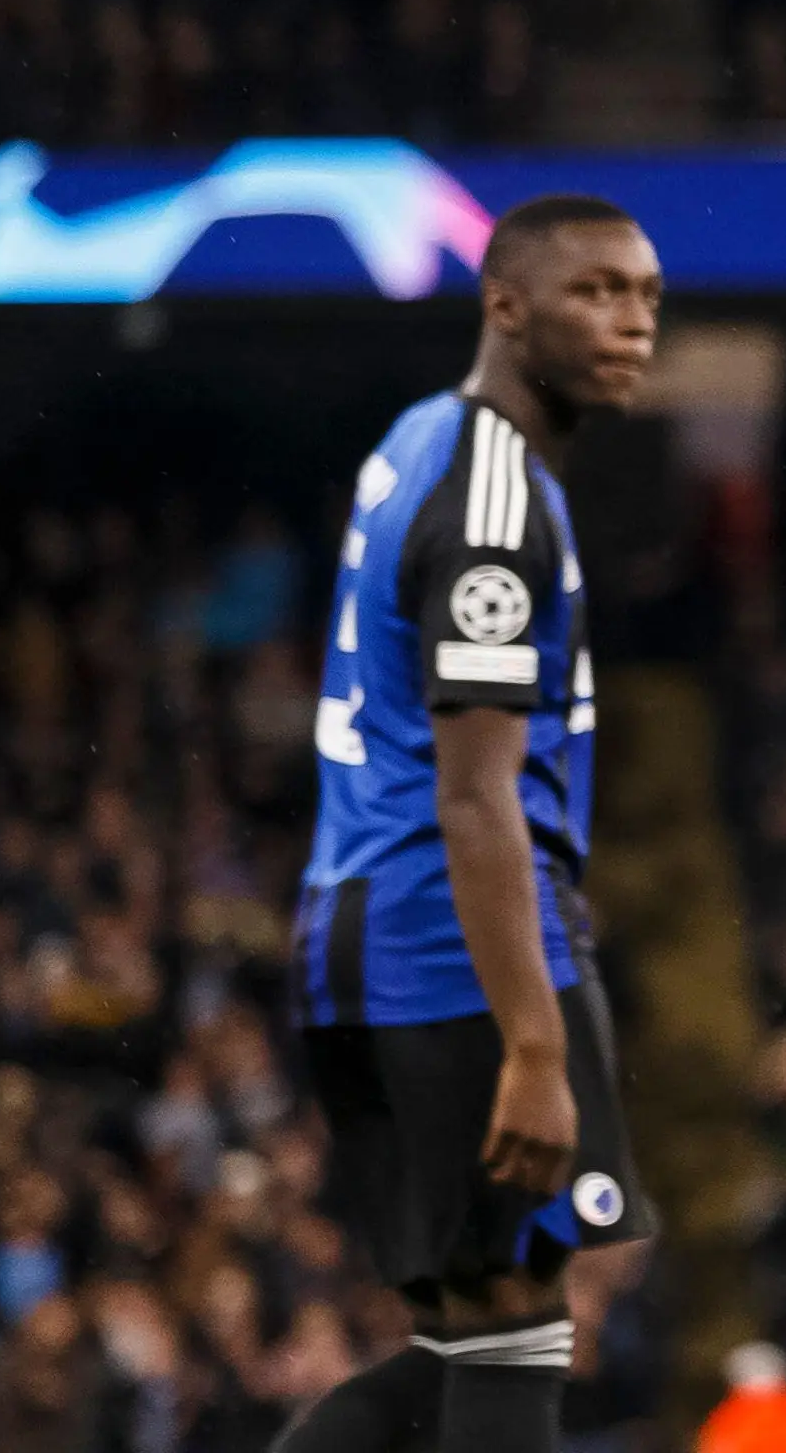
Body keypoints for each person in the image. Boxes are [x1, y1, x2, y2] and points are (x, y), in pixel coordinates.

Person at [279, 195, 665, 1453]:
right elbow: (473, 790)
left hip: (354, 931)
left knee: (462, 1329)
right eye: (596, 292)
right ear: (505, 304)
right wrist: (536, 1045)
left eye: (647, 298)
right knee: (515, 1323)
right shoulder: (494, 498)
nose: (632, 324)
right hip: (447, 946)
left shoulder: (414, 440)